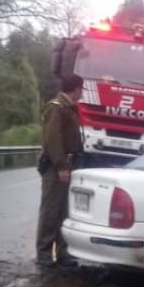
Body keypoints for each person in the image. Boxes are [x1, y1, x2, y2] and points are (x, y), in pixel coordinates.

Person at [36, 74, 85, 269]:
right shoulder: (56, 107)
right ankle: (44, 253)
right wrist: (61, 166)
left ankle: (63, 251)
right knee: (51, 210)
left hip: (69, 163)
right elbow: (53, 139)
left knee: (65, 210)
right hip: (57, 166)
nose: (82, 92)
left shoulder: (69, 108)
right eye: (81, 89)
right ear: (76, 89)